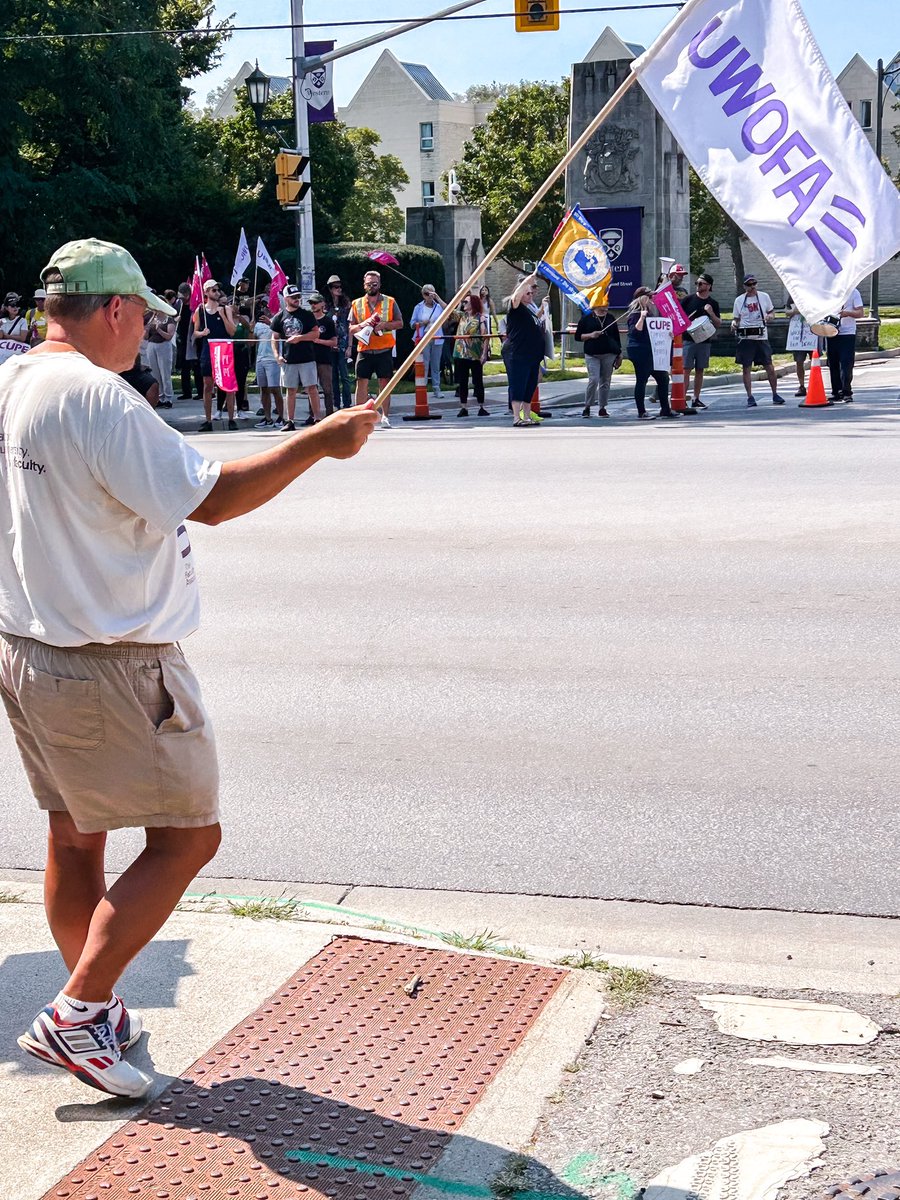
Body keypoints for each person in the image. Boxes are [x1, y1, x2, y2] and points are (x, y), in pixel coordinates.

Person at [0, 237, 377, 1101]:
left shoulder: (13, 378)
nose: (147, 332)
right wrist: (320, 440)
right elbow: (213, 498)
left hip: (29, 644)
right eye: (143, 316)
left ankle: (91, 1010)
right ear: (115, 309)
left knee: (73, 836)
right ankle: (76, 1013)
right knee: (187, 837)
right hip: (110, 657)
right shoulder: (98, 396)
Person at [349, 270, 403, 428]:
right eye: (368, 284)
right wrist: (363, 324)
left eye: (374, 284)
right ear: (364, 285)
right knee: (361, 383)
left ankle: (385, 416)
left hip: (384, 349)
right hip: (364, 349)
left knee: (384, 383)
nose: (371, 287)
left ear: (379, 284)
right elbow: (351, 328)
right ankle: (359, 416)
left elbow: (400, 323)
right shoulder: (356, 303)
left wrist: (384, 325)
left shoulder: (390, 301)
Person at [270, 284, 322, 431]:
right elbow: (274, 337)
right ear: (286, 299)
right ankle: (290, 420)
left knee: (312, 388)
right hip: (289, 359)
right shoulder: (279, 317)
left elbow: (316, 333)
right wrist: (277, 355)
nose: (297, 299)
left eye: (298, 296)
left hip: (307, 358)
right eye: (293, 297)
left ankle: (317, 419)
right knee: (291, 390)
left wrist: (300, 337)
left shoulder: (307, 315)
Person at [731, 275, 786, 407]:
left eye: (754, 284)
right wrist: (734, 324)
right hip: (746, 337)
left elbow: (772, 312)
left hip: (761, 336)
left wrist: (769, 317)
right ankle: (750, 396)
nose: (752, 287)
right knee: (746, 367)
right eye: (749, 285)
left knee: (769, 366)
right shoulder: (739, 300)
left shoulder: (764, 297)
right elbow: (736, 319)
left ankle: (775, 394)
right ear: (744, 286)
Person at [193, 278, 238, 431]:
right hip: (208, 348)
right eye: (214, 290)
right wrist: (202, 333)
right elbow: (195, 332)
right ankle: (208, 420)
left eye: (218, 290)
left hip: (224, 348)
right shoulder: (200, 310)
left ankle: (231, 419)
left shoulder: (226, 309)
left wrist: (223, 316)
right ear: (206, 292)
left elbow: (232, 331)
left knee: (228, 385)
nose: (217, 292)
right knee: (207, 385)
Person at [504, 272, 548, 426]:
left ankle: (527, 416)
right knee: (518, 384)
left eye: (531, 293)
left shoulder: (529, 310)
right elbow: (515, 298)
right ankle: (517, 417)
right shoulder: (515, 307)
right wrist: (526, 282)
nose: (531, 295)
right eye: (527, 293)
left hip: (532, 354)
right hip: (518, 352)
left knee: (530, 386)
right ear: (521, 294)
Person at [626, 286, 676, 420]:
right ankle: (641, 411)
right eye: (649, 296)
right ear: (642, 298)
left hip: (652, 351)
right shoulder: (635, 314)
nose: (652, 299)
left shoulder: (652, 315)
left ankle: (665, 409)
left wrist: (667, 335)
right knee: (642, 379)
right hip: (640, 351)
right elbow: (635, 332)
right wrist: (642, 318)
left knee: (663, 378)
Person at [574, 298, 622, 418]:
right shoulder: (587, 318)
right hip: (592, 354)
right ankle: (587, 406)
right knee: (594, 379)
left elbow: (616, 337)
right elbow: (578, 336)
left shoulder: (610, 318)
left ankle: (602, 407)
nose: (606, 307)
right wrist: (591, 335)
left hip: (609, 353)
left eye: (607, 304)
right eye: (604, 304)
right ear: (596, 305)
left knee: (605, 381)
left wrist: (619, 354)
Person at [681, 273, 722, 410]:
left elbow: (718, 323)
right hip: (688, 339)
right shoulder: (688, 300)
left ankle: (696, 398)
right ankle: (682, 398)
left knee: (700, 369)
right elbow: (679, 317)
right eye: (697, 283)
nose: (698, 285)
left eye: (701, 283)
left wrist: (711, 313)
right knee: (686, 369)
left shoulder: (713, 303)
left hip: (704, 340)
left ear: (709, 286)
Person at [453, 293, 490, 417]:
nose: (464, 304)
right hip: (461, 354)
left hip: (475, 354)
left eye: (466, 302)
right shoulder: (462, 316)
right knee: (462, 381)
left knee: (477, 381)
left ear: (473, 304)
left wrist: (484, 353)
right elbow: (448, 310)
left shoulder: (480, 318)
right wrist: (437, 297)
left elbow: (486, 336)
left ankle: (481, 406)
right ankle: (463, 407)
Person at [825, 288, 864, 402]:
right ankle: (836, 392)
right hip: (831, 331)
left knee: (846, 363)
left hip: (847, 333)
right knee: (833, 363)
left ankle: (846, 392)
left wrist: (847, 313)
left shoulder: (854, 292)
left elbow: (860, 313)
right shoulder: (829, 292)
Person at [410, 284, 445, 398]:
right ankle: (422, 389)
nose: (428, 296)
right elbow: (412, 324)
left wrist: (438, 298)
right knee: (424, 364)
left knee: (436, 365)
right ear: (423, 295)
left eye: (431, 294)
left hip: (437, 338)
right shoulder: (418, 307)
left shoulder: (438, 307)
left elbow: (449, 311)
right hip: (423, 337)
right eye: (426, 294)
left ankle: (436, 388)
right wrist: (421, 323)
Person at [252, 306, 284, 428]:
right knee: (264, 389)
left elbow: (283, 334)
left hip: (272, 359)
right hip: (260, 359)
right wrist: (250, 329)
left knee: (275, 389)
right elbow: (251, 342)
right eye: (264, 307)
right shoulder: (258, 325)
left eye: (268, 306)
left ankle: (281, 417)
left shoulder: (279, 319)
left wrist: (270, 323)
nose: (265, 309)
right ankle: (267, 418)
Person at [326, 275, 353, 410]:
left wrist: (349, 346)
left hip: (343, 344)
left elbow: (351, 326)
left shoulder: (347, 305)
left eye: (340, 286)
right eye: (336, 287)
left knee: (344, 376)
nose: (339, 289)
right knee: (333, 376)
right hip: (330, 344)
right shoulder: (326, 305)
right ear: (330, 289)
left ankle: (347, 403)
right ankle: (336, 404)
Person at [142, 303, 176, 409]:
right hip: (151, 345)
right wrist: (147, 330)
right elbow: (146, 337)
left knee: (165, 373)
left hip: (164, 345)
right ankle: (160, 397)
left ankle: (168, 398)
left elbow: (169, 336)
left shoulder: (169, 320)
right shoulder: (152, 318)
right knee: (155, 373)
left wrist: (159, 330)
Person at [309, 292, 337, 416]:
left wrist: (319, 341)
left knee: (327, 389)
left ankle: (329, 414)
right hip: (309, 358)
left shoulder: (328, 321)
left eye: (315, 303)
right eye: (311, 303)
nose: (313, 305)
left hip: (324, 359)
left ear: (322, 304)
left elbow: (334, 342)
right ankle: (313, 415)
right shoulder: (308, 320)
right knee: (311, 388)